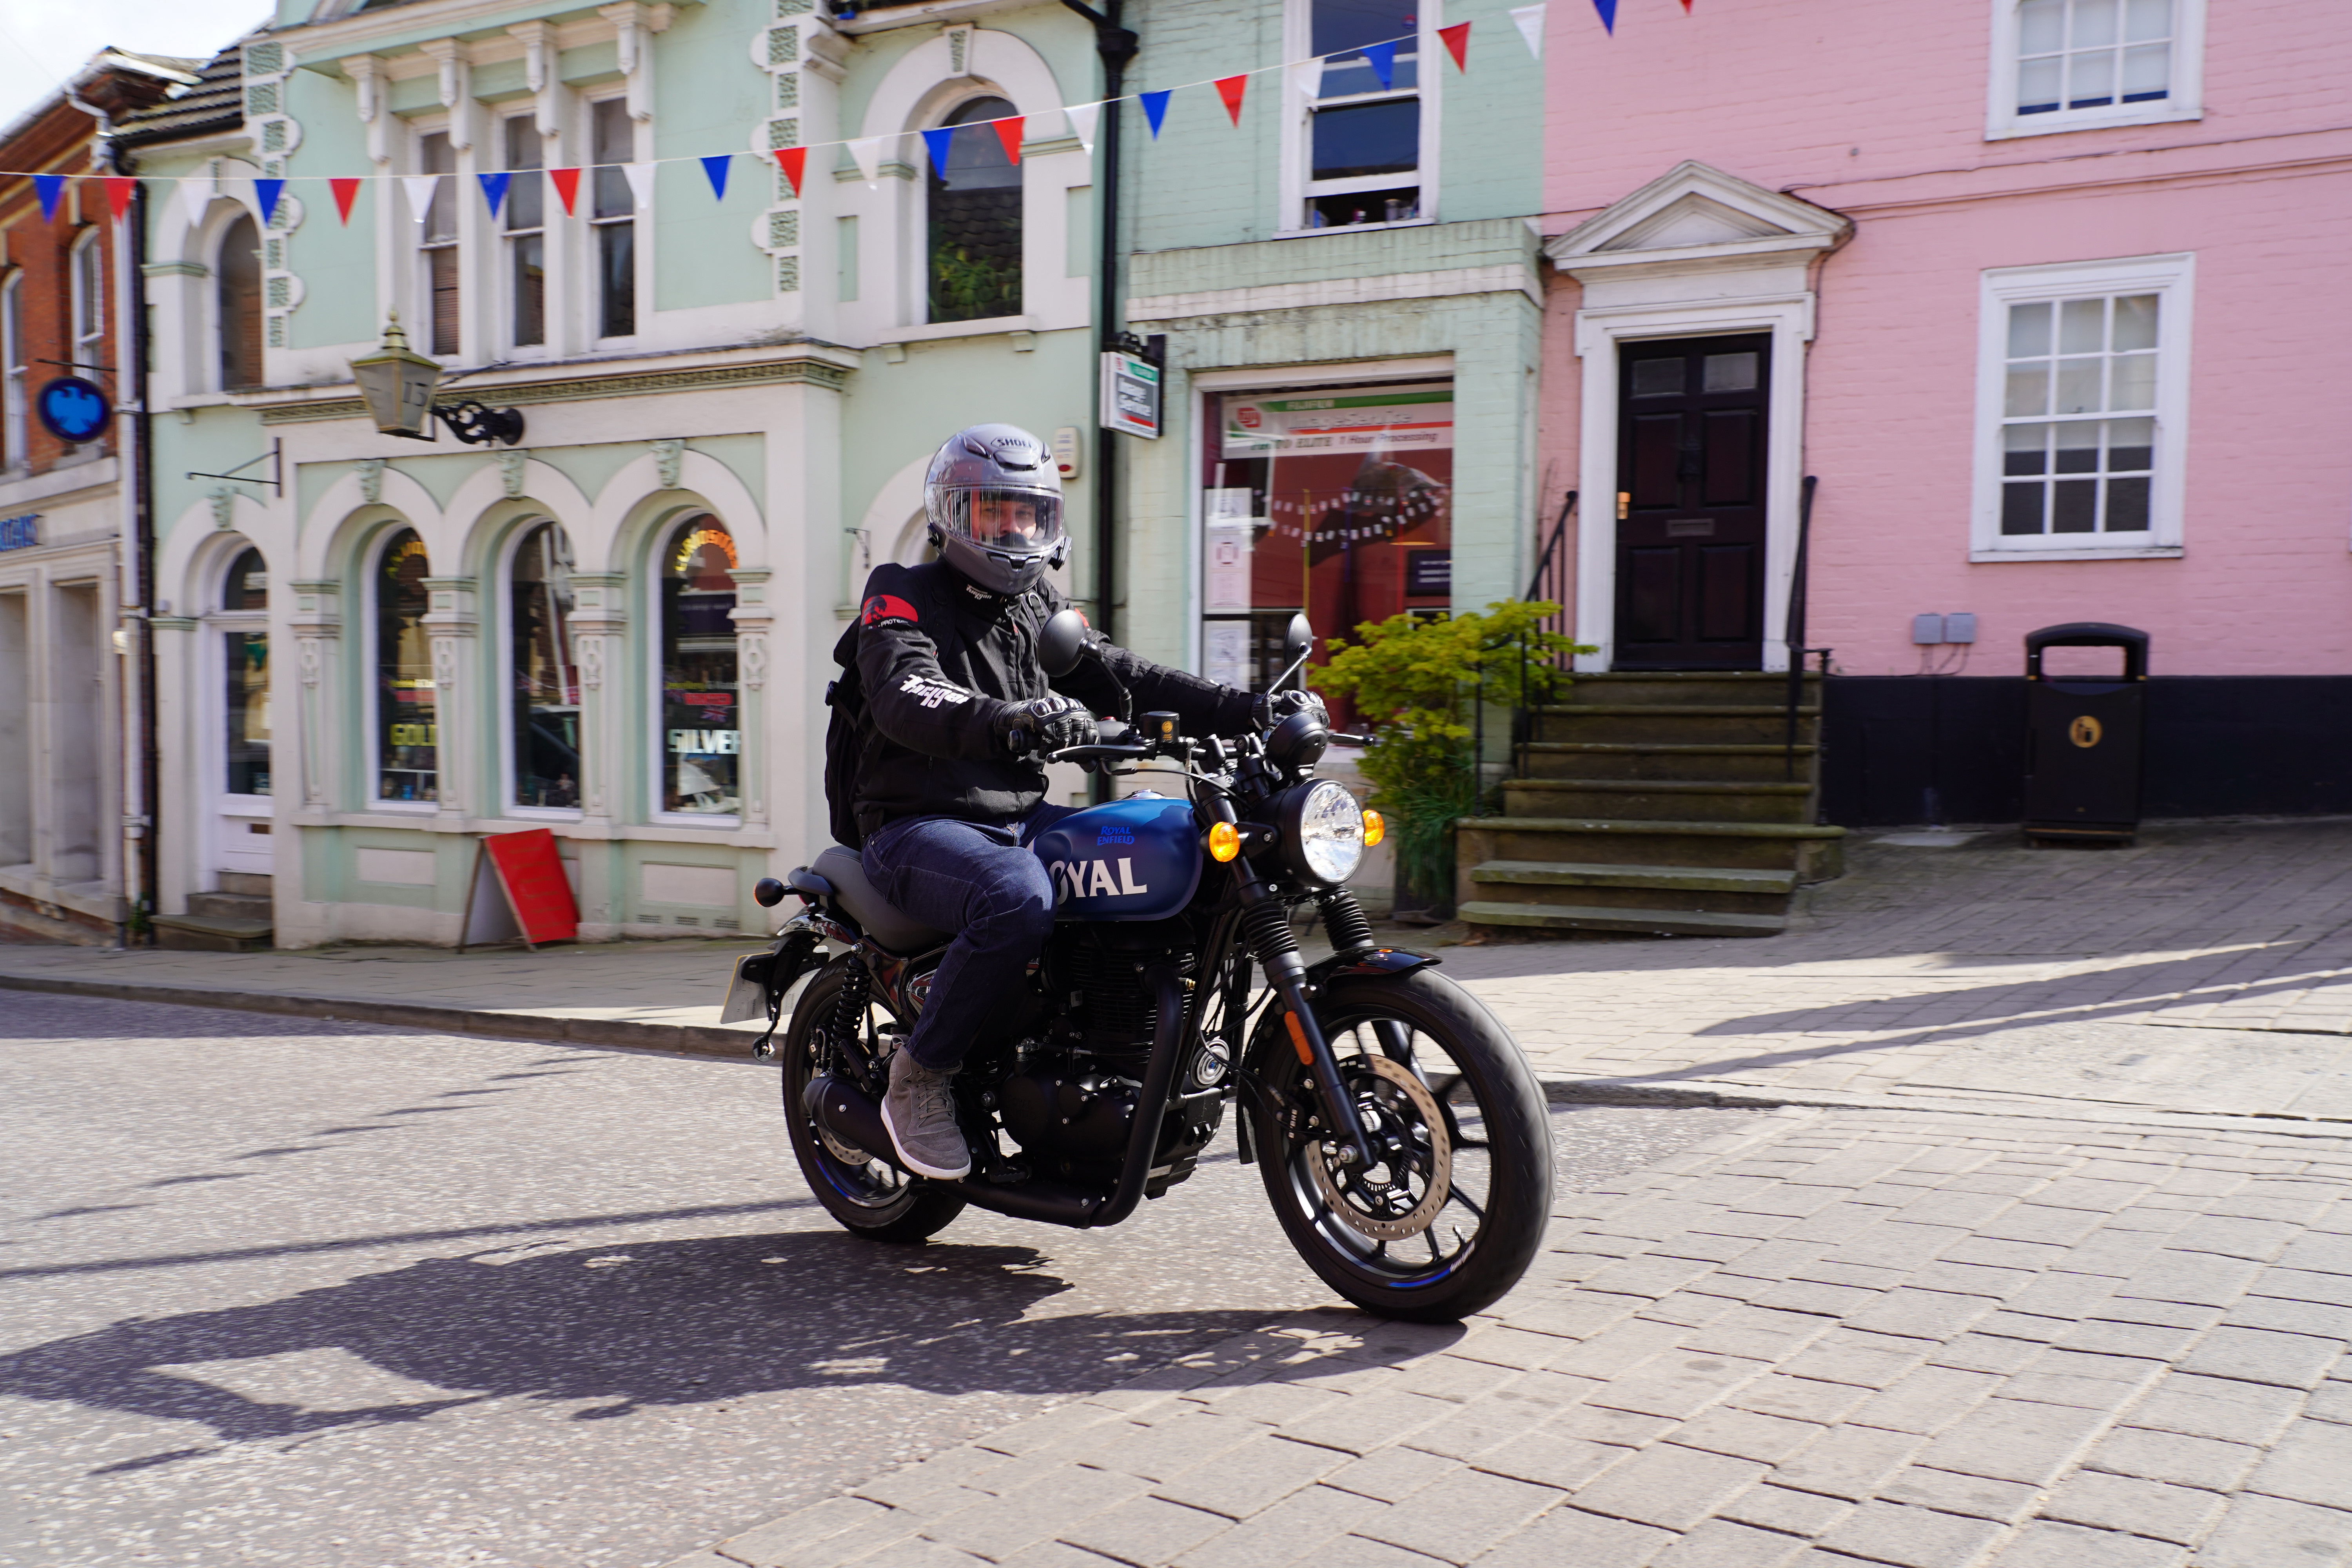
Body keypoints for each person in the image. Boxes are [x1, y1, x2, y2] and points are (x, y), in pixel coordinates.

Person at [836, 423, 1317, 1180]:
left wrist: (1251, 711)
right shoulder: (902, 591)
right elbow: (904, 692)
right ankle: (919, 1076)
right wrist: (1012, 720)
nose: (1014, 529)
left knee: (1178, 849)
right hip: (917, 826)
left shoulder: (1037, 609)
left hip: (1021, 819)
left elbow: (1123, 676)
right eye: (994, 512)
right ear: (953, 516)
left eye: (1027, 513)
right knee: (1017, 894)